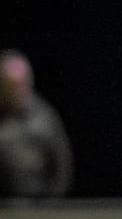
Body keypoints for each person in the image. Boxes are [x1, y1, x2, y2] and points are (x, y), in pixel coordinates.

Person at [0, 50, 74, 204]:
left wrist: (53, 200)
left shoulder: (44, 115)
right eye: (12, 86)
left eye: (23, 84)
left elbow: (61, 163)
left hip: (38, 203)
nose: (19, 91)